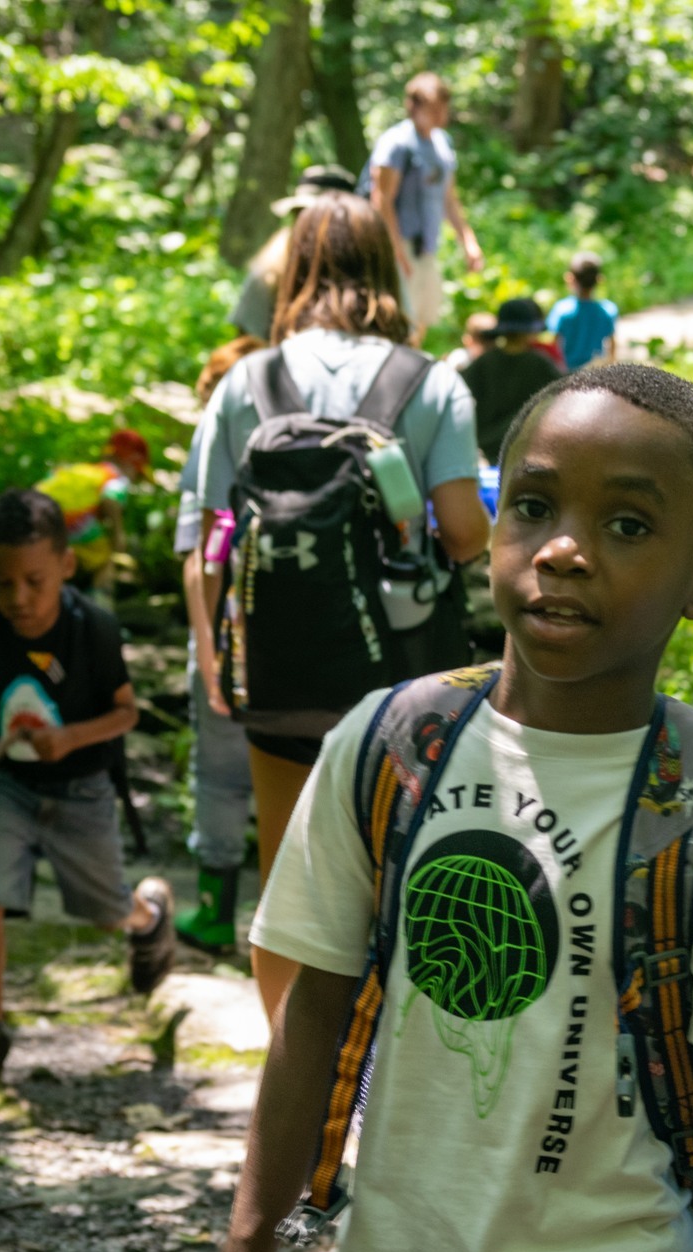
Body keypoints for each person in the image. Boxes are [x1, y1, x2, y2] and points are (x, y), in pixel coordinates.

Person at [206, 365, 693, 1252]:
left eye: (627, 526)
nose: (563, 549)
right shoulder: (389, 749)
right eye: (533, 506)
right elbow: (309, 1013)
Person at [189, 189, 489, 1019]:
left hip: (280, 668)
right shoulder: (431, 385)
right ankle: (383, 1084)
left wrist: (218, 659)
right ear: (387, 268)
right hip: (405, 683)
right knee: (398, 871)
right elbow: (464, 534)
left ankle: (292, 1082)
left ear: (293, 272)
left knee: (287, 882)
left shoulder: (244, 381)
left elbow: (211, 534)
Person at [0, 489, 176, 1080]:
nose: (18, 599)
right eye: (3, 583)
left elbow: (127, 712)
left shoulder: (94, 630)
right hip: (3, 784)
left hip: (81, 789)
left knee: (106, 910)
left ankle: (148, 917)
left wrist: (73, 737)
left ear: (66, 565)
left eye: (34, 581)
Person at [174, 342, 261, 958]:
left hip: (230, 625)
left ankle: (215, 914)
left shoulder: (214, 433)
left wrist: (205, 649)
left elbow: (201, 553)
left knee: (221, 774)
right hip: (300, 634)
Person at [359, 73, 485, 342]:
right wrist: (395, 250)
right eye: (434, 108)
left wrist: (468, 242)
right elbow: (381, 200)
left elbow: (449, 198)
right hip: (399, 245)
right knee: (398, 318)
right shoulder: (395, 144)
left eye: (443, 107)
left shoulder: (443, 143)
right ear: (414, 106)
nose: (441, 114)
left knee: (421, 318)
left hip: (426, 246)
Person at [231, 165, 356, 342]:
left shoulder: (367, 273)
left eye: (326, 221)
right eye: (302, 216)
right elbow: (246, 346)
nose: (310, 229)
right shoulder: (269, 274)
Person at [33, 427, 154, 603]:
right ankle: (100, 607)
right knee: (104, 561)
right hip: (73, 521)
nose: (135, 478)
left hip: (39, 518)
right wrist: (118, 533)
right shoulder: (115, 477)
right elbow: (111, 498)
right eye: (137, 473)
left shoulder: (82, 470)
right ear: (130, 463)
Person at [462, 297, 562, 463]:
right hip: (526, 447)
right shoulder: (539, 363)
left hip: (486, 447)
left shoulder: (484, 362)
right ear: (529, 331)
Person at [547, 250, 619, 372]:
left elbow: (553, 345)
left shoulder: (561, 310)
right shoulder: (608, 310)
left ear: (570, 278)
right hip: (594, 372)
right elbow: (611, 346)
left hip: (567, 373)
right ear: (599, 279)